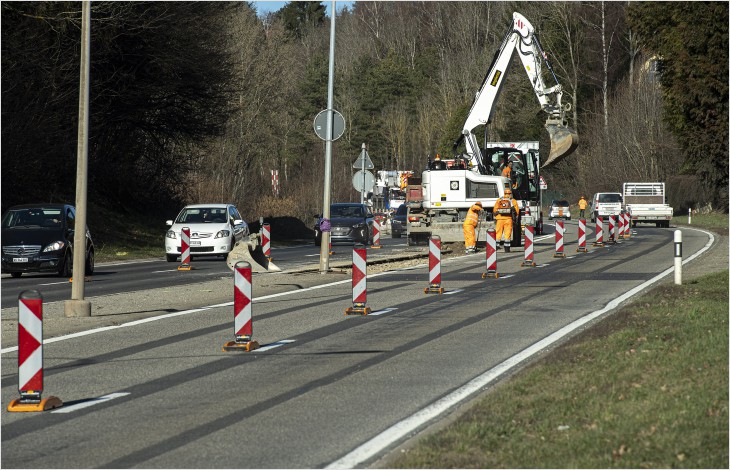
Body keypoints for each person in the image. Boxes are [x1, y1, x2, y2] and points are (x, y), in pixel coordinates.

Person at [493, 188, 520, 252]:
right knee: (507, 233)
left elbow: (495, 210)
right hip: (508, 219)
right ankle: (507, 248)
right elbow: (517, 211)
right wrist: (515, 218)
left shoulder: (499, 200)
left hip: (499, 219)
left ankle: (496, 246)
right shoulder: (513, 201)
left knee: (498, 233)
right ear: (510, 193)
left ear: (504, 193)